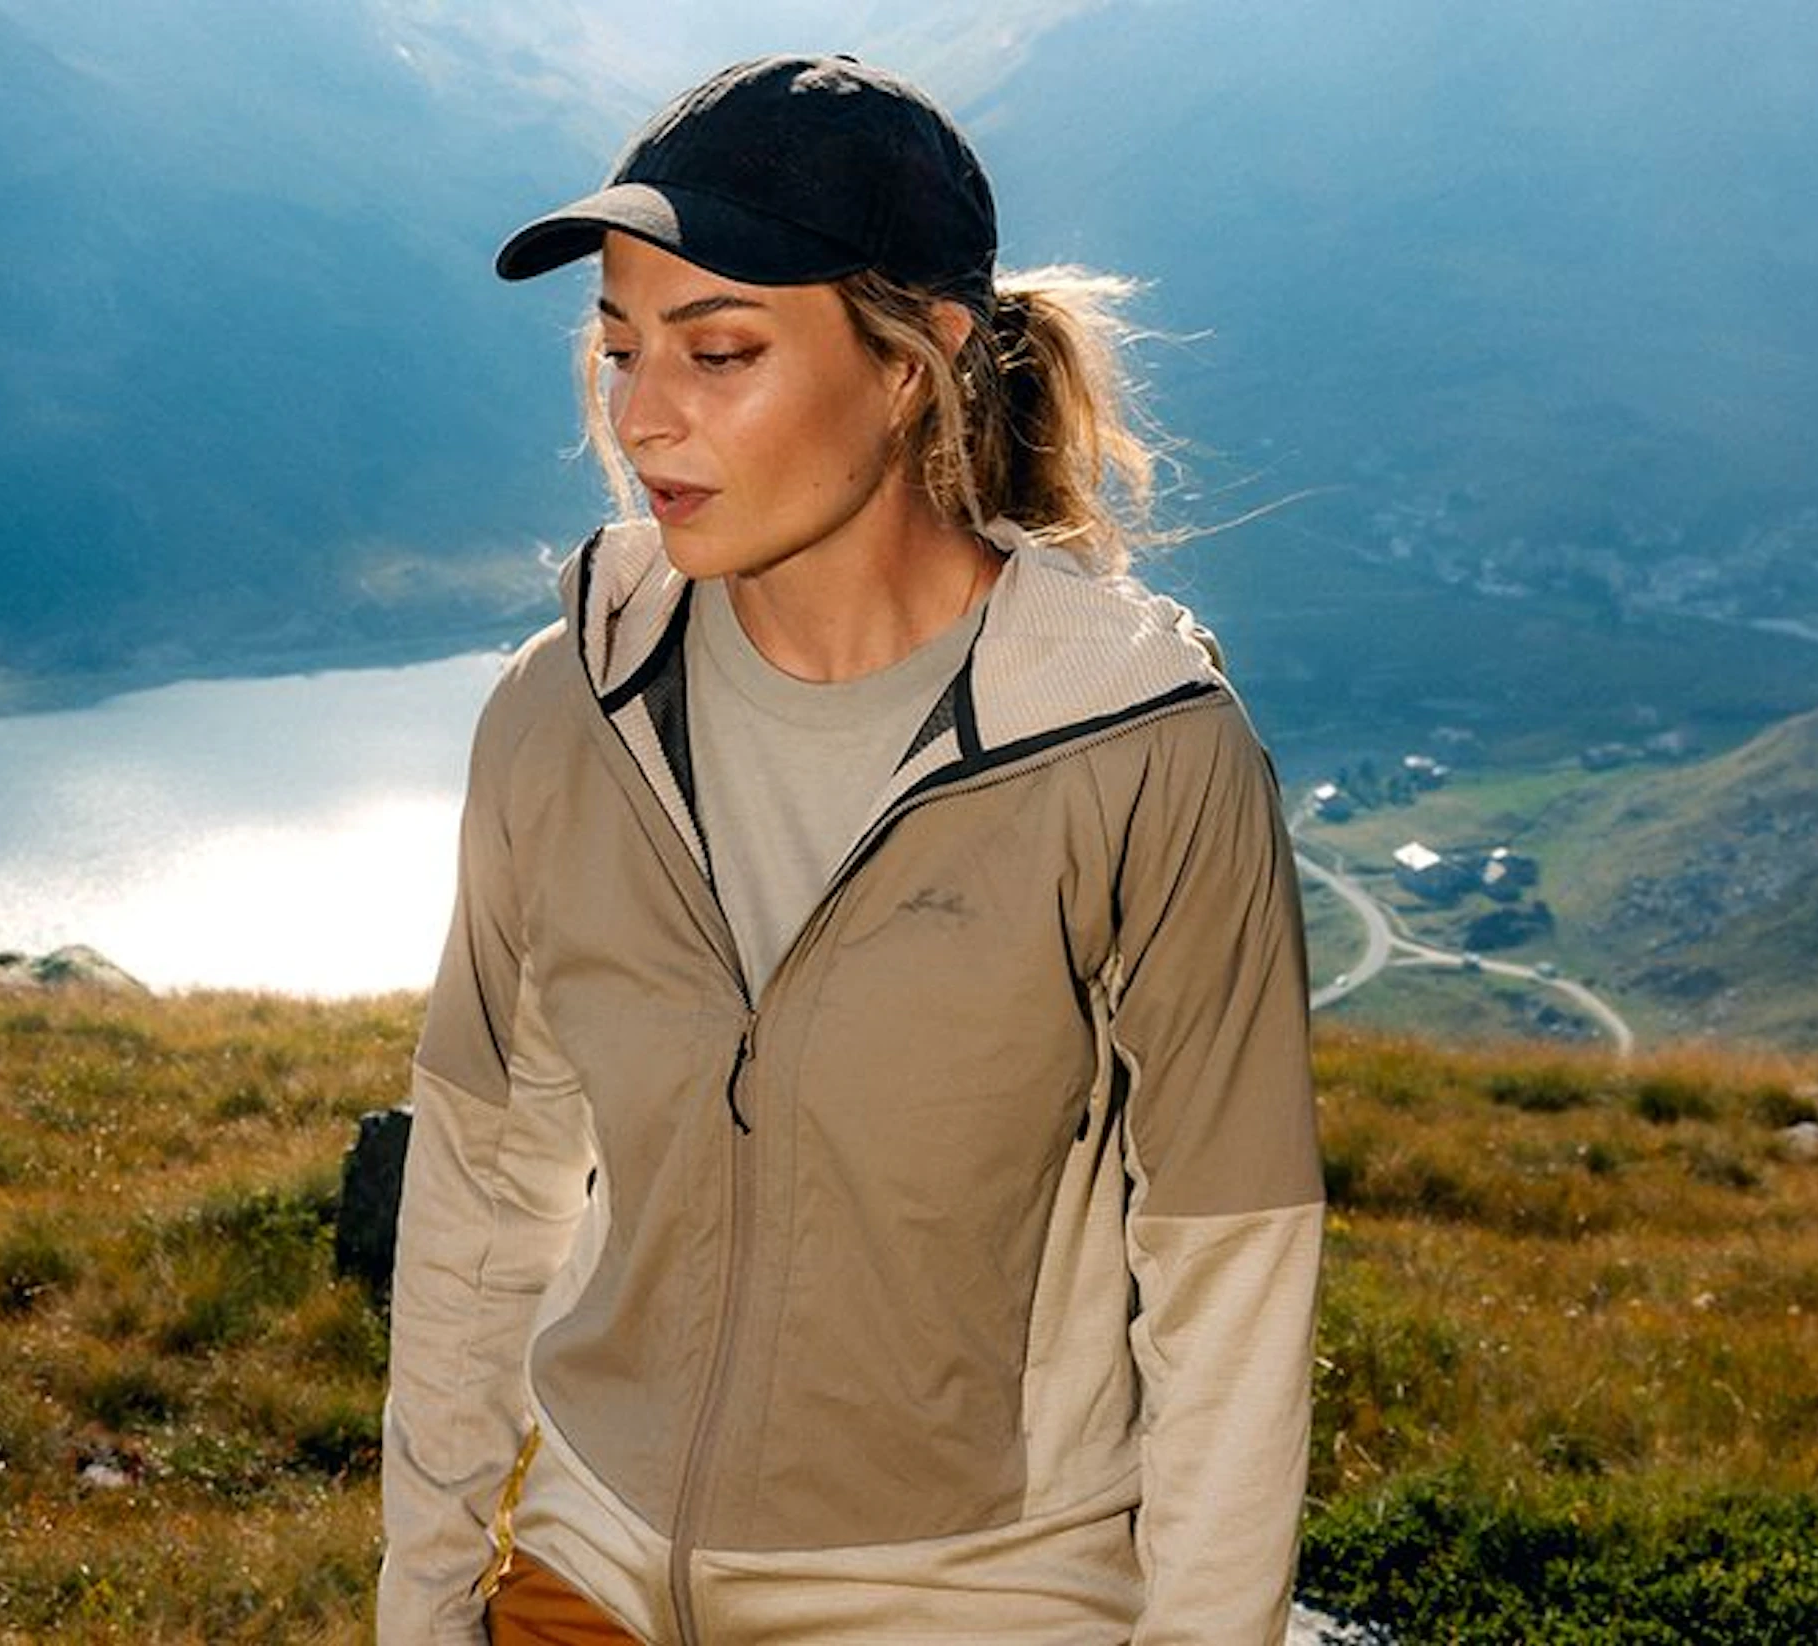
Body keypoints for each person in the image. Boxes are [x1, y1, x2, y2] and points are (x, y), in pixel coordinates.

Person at [379, 54, 1322, 1645]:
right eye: (617, 349)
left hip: (980, 1603)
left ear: (916, 362)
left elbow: (1233, 1282)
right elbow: (483, 1190)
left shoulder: (1145, 758)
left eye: (719, 350)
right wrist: (419, 1606)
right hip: (591, 1571)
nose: (643, 415)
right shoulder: (565, 710)